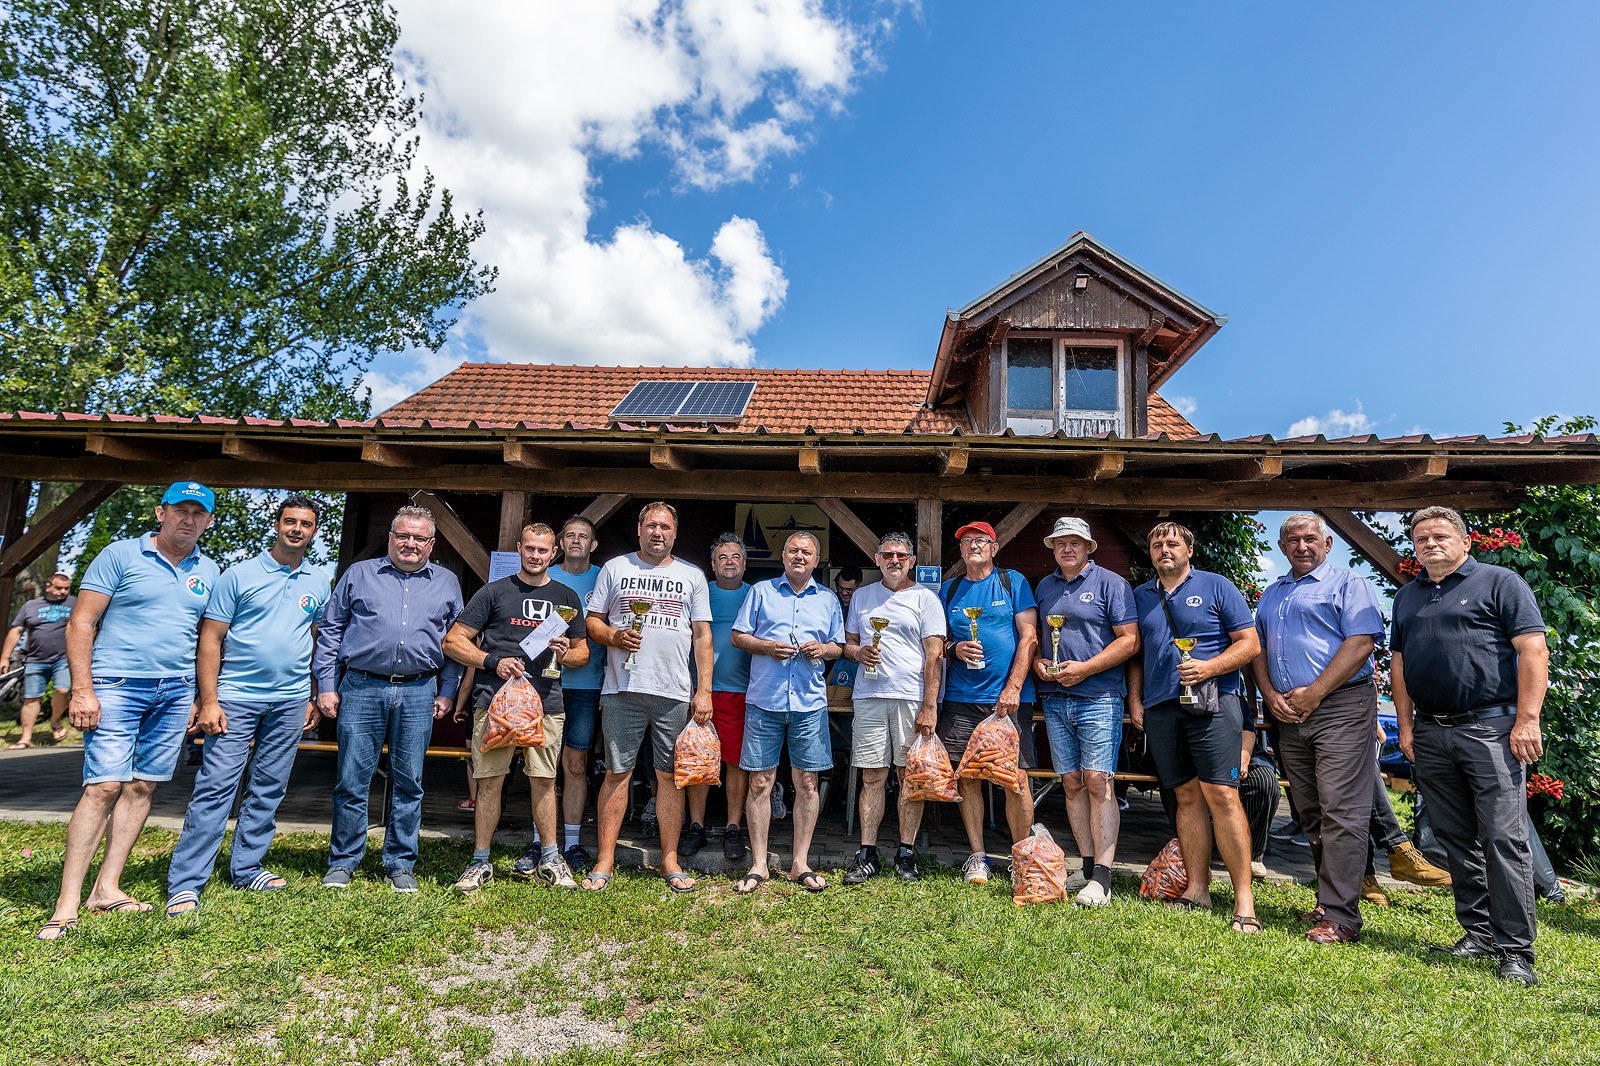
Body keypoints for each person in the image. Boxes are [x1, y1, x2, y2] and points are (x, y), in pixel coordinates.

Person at [36, 482, 220, 940]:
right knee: (102, 787)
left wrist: (201, 695)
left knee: (141, 787)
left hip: (175, 691)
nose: (189, 519)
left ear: (209, 521)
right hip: (116, 684)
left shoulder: (210, 571)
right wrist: (82, 689)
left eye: (199, 513)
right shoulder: (120, 555)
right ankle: (66, 904)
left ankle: (108, 888)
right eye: (181, 509)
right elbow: (82, 621)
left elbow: (205, 639)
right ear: (161, 512)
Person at [1392, 506, 1547, 986]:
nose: (1430, 544)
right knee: (1455, 838)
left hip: (1492, 729)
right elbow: (1398, 665)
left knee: (1503, 837)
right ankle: (1477, 934)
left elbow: (1533, 650)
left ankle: (1515, 949)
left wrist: (1527, 719)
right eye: (1421, 539)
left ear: (1465, 541)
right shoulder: (1407, 597)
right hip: (1433, 733)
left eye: (1440, 535)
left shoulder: (1501, 583)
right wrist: (1406, 727)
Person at [165, 496, 330, 915]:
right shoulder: (239, 575)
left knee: (269, 787)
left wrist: (311, 693)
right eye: (290, 521)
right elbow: (211, 639)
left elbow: (316, 641)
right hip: (235, 697)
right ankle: (186, 882)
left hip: (290, 701)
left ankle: (247, 866)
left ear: (314, 531)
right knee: (215, 787)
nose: (297, 529)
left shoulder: (318, 580)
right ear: (277, 525)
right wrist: (208, 700)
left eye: (305, 524)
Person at [1250, 513, 1386, 944]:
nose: (1302, 546)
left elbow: (1362, 642)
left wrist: (1315, 693)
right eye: (1293, 540)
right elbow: (1258, 645)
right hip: (1288, 712)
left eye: (1311, 538)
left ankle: (1343, 917)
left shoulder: (1349, 583)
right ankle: (1329, 899)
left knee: (1341, 810)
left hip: (1340, 706)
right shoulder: (1273, 592)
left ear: (1328, 544)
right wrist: (1271, 694)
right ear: (1282, 547)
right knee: (1309, 810)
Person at [313, 504, 464, 893]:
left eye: (419, 538)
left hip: (418, 689)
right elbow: (331, 631)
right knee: (351, 779)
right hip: (361, 686)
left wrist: (447, 691)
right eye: (403, 536)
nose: (410, 544)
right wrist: (326, 686)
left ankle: (400, 862)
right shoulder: (359, 574)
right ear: (391, 537)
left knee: (409, 781)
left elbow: (456, 643)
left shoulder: (447, 582)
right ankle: (343, 861)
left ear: (431, 544)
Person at [1127, 521, 1262, 933]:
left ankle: (1245, 902)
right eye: (1156, 544)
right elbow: (1136, 653)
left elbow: (1249, 644)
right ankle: (1197, 890)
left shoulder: (1217, 585)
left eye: (1172, 543)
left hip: (1215, 703)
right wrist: (1135, 699)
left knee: (1222, 793)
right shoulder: (1140, 596)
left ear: (1189, 549)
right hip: (1162, 707)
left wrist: (1208, 667)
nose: (1163, 549)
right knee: (1185, 797)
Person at [443, 522, 590, 892]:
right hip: (495, 703)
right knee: (489, 782)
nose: (536, 556)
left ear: (553, 552)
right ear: (519, 549)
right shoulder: (493, 593)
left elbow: (583, 653)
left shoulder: (567, 597)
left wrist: (566, 653)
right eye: (530, 549)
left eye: (543, 550)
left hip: (546, 703)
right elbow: (453, 642)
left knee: (545, 781)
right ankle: (479, 861)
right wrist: (493, 661)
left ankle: (552, 859)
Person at [583, 501, 713, 892]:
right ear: (639, 529)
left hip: (673, 692)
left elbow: (703, 635)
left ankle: (669, 861)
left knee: (670, 778)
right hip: (623, 689)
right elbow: (592, 622)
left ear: (675, 533)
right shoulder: (615, 568)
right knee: (617, 774)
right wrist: (614, 636)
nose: (658, 533)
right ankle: (604, 861)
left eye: (666, 528)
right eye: (652, 526)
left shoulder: (691, 575)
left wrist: (703, 689)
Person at [1031, 516, 1139, 905]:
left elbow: (1130, 642)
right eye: (1061, 543)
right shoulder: (1045, 586)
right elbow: (1041, 640)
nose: (1067, 549)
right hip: (1056, 697)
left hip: (1099, 696)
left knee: (1098, 780)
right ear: (1053, 549)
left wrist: (1086, 669)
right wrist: (1041, 663)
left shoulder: (1112, 583)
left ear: (1089, 547)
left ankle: (1105, 879)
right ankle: (1088, 867)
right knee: (1072, 782)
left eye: (1076, 543)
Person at [730, 532, 844, 892]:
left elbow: (839, 646)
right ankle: (759, 864)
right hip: (765, 700)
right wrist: (765, 647)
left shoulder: (827, 599)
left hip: (809, 703)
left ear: (816, 560)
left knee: (807, 784)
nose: (799, 556)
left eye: (806, 552)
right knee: (760, 782)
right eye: (793, 550)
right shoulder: (760, 592)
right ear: (783, 555)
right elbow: (738, 636)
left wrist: (822, 648)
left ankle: (800, 863)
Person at [938, 520, 1041, 886]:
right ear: (961, 550)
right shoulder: (949, 590)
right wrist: (954, 649)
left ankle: (1022, 857)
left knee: (1016, 778)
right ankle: (978, 857)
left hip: (1008, 701)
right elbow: (938, 642)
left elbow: (1029, 637)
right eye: (967, 542)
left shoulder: (1012, 582)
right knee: (967, 776)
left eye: (981, 541)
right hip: (961, 698)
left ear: (994, 548)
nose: (974, 546)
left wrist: (1013, 687)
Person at [842, 532, 946, 883]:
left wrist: (929, 705)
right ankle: (867, 852)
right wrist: (857, 653)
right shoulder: (862, 596)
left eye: (902, 555)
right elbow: (850, 642)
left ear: (912, 561)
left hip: (910, 698)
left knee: (908, 777)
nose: (895, 560)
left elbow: (935, 654)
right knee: (872, 776)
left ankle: (906, 853)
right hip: (869, 696)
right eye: (888, 555)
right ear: (877, 559)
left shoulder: (925, 598)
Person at [687, 533, 753, 862]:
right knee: (698, 759)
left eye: (735, 556)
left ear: (744, 563)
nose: (729, 562)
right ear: (713, 564)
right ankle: (696, 826)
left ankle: (732, 827)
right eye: (723, 557)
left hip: (742, 692)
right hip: (700, 691)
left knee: (735, 762)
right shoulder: (699, 592)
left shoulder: (756, 595)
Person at [547, 514, 606, 872]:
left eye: (582, 536)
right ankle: (542, 840)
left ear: (592, 545)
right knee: (543, 766)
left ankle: (572, 843)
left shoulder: (604, 577)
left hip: (586, 684)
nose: (575, 541)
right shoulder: (545, 575)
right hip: (546, 682)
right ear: (560, 544)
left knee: (576, 763)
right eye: (569, 535)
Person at [3, 571, 76, 747]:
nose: (63, 592)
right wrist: (4, 658)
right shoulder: (31, 606)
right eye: (59, 588)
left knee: (63, 690)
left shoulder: (75, 603)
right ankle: (26, 738)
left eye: (66, 588)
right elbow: (16, 631)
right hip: (35, 658)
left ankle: (55, 721)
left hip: (64, 657)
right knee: (31, 697)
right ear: (48, 586)